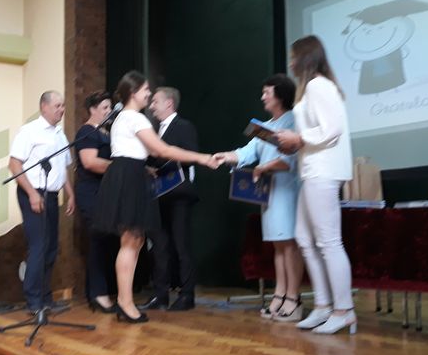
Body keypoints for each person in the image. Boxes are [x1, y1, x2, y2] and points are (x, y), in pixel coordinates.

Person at [93, 71, 220, 323]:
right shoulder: (135, 117)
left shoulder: (122, 118)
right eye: (145, 90)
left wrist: (146, 169)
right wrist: (202, 158)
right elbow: (162, 150)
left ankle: (125, 301)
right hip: (130, 178)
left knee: (134, 240)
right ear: (133, 93)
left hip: (127, 174)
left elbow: (133, 152)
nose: (149, 94)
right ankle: (125, 303)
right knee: (131, 241)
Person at [275, 36, 355, 335]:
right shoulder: (312, 87)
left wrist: (299, 139)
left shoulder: (318, 85)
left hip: (323, 170)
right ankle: (323, 306)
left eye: (293, 57)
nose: (290, 63)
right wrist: (295, 143)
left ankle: (344, 310)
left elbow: (332, 129)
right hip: (312, 170)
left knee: (328, 241)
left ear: (305, 58)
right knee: (304, 239)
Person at [214, 75, 303, 321]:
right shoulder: (264, 126)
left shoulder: (294, 120)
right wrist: (226, 156)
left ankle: (294, 299)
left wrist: (264, 168)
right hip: (269, 192)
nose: (263, 97)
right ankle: (280, 295)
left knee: (289, 245)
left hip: (287, 190)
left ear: (280, 95)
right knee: (278, 245)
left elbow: (290, 159)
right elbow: (246, 153)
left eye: (267, 93)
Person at [8, 91, 75, 313]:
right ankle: (33, 301)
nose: (61, 110)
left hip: (52, 195)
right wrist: (32, 194)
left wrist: (70, 194)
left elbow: (62, 169)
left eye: (63, 105)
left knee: (51, 247)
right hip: (33, 193)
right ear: (43, 107)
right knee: (38, 246)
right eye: (57, 106)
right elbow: (14, 165)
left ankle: (46, 298)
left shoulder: (60, 135)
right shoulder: (30, 131)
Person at [139, 87, 200, 312]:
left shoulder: (184, 126)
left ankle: (187, 295)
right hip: (159, 195)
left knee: (181, 245)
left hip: (179, 195)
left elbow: (190, 156)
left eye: (155, 101)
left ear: (169, 103)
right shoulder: (154, 131)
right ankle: (160, 295)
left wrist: (162, 160)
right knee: (160, 246)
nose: (152, 106)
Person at [73, 91, 118, 313]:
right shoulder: (86, 131)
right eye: (104, 108)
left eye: (110, 107)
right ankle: (98, 295)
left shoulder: (105, 132)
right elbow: (90, 162)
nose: (109, 111)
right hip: (91, 193)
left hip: (105, 193)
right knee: (98, 241)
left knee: (106, 242)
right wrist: (120, 167)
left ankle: (99, 292)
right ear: (92, 109)